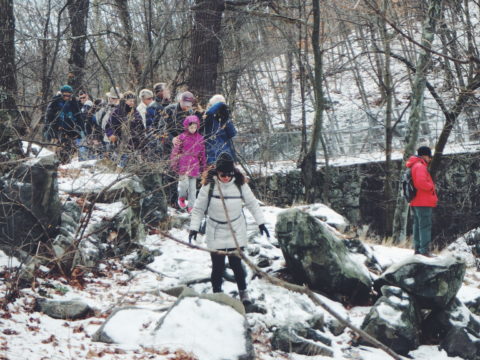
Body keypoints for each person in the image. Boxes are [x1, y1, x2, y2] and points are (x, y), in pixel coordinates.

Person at [188, 153, 270, 305]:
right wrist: (194, 228)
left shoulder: (240, 184)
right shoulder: (209, 185)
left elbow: (252, 203)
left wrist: (261, 223)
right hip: (215, 229)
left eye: (229, 174)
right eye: (222, 174)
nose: (226, 177)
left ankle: (243, 293)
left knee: (236, 264)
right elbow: (198, 208)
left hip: (235, 229)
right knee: (217, 266)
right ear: (217, 172)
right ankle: (217, 295)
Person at [406, 146, 438, 257]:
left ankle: (418, 249)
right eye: (429, 157)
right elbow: (420, 183)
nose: (430, 159)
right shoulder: (420, 166)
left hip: (415, 201)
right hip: (423, 201)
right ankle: (425, 251)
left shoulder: (413, 165)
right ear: (425, 156)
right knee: (425, 226)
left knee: (417, 225)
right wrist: (431, 186)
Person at [170, 115, 206, 213]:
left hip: (195, 165)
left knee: (193, 188)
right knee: (183, 183)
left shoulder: (200, 138)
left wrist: (203, 167)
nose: (193, 129)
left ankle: (191, 206)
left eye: (195, 127)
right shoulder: (182, 137)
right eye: (191, 127)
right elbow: (176, 150)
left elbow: (202, 154)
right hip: (183, 163)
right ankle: (181, 197)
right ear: (187, 127)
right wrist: (174, 162)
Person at [105, 91, 144, 171]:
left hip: (135, 142)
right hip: (120, 142)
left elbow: (141, 127)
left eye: (133, 101)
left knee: (133, 165)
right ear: (125, 101)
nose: (132, 103)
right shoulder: (117, 111)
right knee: (119, 164)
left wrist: (141, 137)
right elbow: (108, 126)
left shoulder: (135, 112)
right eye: (130, 101)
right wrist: (111, 135)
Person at [43, 84, 83, 163]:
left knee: (69, 151)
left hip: (71, 131)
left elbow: (79, 116)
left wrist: (79, 129)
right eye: (65, 95)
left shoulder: (74, 103)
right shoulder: (55, 102)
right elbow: (49, 117)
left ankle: (66, 164)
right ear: (61, 94)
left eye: (69, 95)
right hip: (58, 131)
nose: (67, 97)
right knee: (58, 151)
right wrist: (54, 129)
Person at [202, 94, 237, 165]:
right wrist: (220, 104)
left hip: (226, 153)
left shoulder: (224, 118)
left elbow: (232, 133)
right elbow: (210, 113)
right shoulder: (209, 117)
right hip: (212, 154)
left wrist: (227, 118)